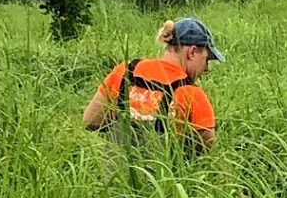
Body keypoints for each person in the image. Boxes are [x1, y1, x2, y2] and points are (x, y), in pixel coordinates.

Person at [83, 17, 223, 151]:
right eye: (207, 59)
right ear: (192, 52)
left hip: (115, 174)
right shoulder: (191, 93)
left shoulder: (125, 71)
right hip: (161, 175)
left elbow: (90, 121)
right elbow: (205, 148)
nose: (206, 68)